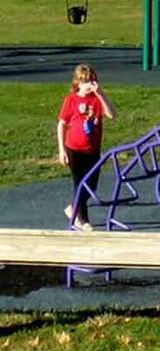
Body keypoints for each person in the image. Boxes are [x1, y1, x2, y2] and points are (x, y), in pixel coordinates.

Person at [56, 63, 115, 231]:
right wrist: (61, 149)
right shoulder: (71, 100)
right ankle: (83, 220)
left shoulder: (96, 100)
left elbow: (111, 115)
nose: (89, 85)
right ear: (78, 83)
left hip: (93, 150)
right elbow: (62, 124)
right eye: (85, 81)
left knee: (92, 185)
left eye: (92, 81)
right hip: (74, 149)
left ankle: (73, 207)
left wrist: (101, 94)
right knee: (79, 183)